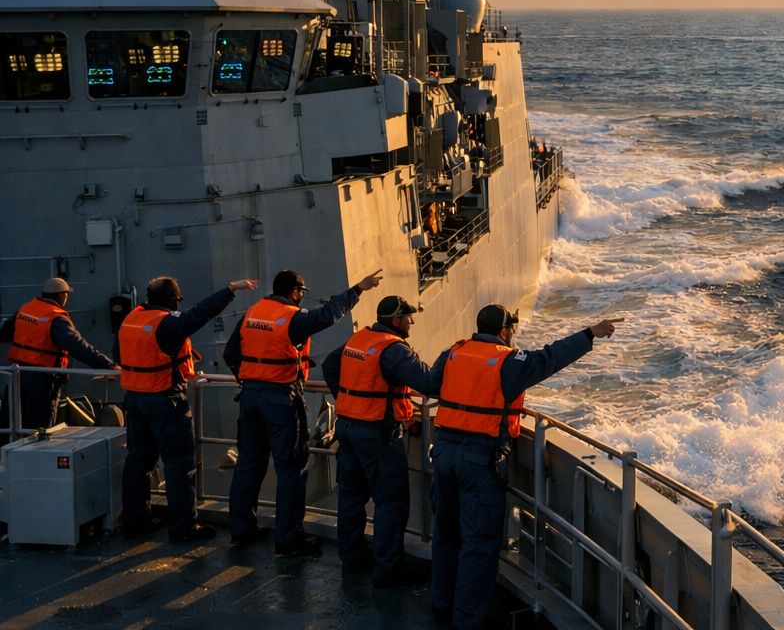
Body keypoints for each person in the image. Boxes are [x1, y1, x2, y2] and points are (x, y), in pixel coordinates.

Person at [428, 305, 623, 629]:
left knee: (446, 536)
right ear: (505, 332)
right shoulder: (507, 362)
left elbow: (433, 384)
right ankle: (466, 622)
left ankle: (440, 606)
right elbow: (549, 359)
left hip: (444, 453)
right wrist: (590, 333)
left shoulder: (454, 352)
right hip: (479, 461)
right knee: (477, 546)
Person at [223, 267, 382, 556]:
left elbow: (230, 354)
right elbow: (328, 314)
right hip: (280, 400)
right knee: (291, 469)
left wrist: (250, 379)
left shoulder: (251, 314)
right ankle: (288, 539)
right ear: (294, 293)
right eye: (299, 294)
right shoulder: (291, 318)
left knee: (248, 464)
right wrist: (357, 289)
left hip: (250, 398)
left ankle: (242, 530)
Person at [117, 275, 258, 540]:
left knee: (138, 461)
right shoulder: (167, 323)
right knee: (179, 463)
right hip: (164, 400)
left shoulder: (130, 320)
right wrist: (229, 290)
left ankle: (136, 520)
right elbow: (199, 314)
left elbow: (122, 353)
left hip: (134, 398)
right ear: (172, 300)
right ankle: (183, 527)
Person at [320, 295, 438, 585]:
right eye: (408, 317)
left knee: (351, 498)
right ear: (396, 320)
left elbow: (329, 365)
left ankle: (353, 560)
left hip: (347, 428)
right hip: (378, 435)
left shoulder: (359, 339)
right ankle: (387, 570)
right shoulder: (394, 349)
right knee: (391, 503)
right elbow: (429, 383)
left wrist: (348, 399)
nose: (411, 321)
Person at [1, 277, 115, 431]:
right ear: (63, 296)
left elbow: (4, 332)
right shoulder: (56, 318)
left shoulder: (25, 309)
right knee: (40, 429)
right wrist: (108, 365)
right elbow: (79, 347)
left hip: (17, 375)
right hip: (42, 380)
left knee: (12, 424)